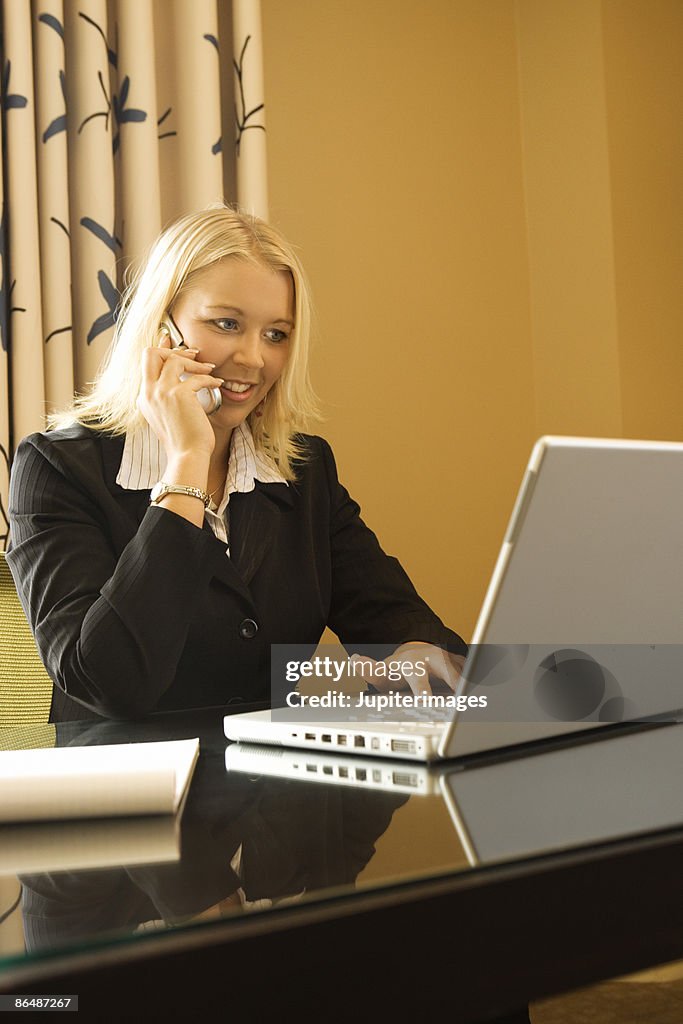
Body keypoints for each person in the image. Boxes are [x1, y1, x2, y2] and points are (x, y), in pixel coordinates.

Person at [7, 205, 466, 722]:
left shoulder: (303, 471)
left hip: (273, 790)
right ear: (163, 330)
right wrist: (186, 463)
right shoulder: (57, 468)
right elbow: (109, 685)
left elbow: (400, 620)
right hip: (124, 788)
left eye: (276, 334)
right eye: (226, 324)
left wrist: (415, 650)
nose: (253, 359)